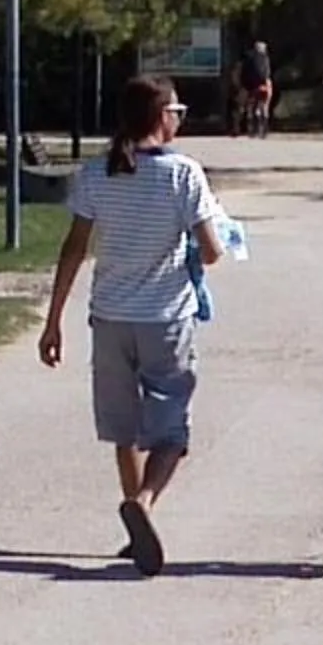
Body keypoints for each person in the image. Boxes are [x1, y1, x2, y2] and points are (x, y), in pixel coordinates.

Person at [39, 74, 227, 576]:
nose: (179, 121)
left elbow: (75, 247)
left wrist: (53, 320)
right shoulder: (183, 174)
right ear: (161, 117)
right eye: (177, 113)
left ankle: (133, 520)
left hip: (110, 317)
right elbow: (211, 251)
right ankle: (144, 501)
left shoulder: (98, 173)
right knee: (170, 431)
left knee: (124, 427)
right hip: (165, 319)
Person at [237, 38, 274, 138]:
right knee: (264, 107)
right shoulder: (265, 58)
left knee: (249, 107)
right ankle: (264, 130)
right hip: (265, 86)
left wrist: (242, 84)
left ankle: (251, 129)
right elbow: (267, 74)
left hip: (250, 87)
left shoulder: (248, 57)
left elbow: (242, 73)